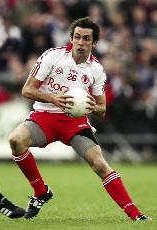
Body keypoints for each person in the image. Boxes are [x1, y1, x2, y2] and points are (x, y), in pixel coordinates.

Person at [9, 17, 151, 221]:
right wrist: (54, 98)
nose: (81, 42)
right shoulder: (52, 56)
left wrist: (93, 107)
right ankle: (41, 191)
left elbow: (102, 109)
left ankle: (135, 214)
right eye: (77, 37)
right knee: (16, 140)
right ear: (71, 38)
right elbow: (27, 89)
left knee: (100, 164)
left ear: (94, 43)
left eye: (86, 39)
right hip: (44, 117)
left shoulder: (96, 70)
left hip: (74, 123)